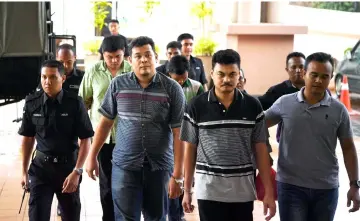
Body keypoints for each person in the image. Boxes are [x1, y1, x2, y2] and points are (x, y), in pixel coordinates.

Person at [86, 36, 186, 221]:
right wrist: (91, 157)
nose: (143, 60)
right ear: (130, 60)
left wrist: (178, 175)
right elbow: (105, 123)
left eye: (148, 55)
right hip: (124, 167)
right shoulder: (118, 84)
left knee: (156, 218)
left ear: (156, 57)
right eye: (137, 56)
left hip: (160, 168)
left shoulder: (172, 89)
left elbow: (179, 133)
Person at [180, 49, 276, 221]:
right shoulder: (196, 106)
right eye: (221, 74)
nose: (226, 79)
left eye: (232, 74)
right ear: (212, 74)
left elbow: (261, 150)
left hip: (243, 192)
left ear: (239, 75)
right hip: (209, 191)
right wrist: (187, 191)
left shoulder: (253, 106)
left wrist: (269, 192)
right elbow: (190, 150)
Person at [265, 52, 360, 221]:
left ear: (331, 78)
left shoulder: (339, 110)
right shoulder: (284, 103)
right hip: (290, 186)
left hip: (326, 189)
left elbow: (348, 148)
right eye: (314, 75)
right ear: (305, 74)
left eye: (324, 76)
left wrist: (354, 184)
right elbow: (258, 125)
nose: (318, 80)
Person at [18, 60, 94, 221]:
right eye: (44, 77)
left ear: (63, 78)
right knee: (37, 216)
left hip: (68, 170)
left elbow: (86, 139)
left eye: (52, 77)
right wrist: (24, 171)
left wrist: (77, 171)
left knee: (70, 216)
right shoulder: (33, 103)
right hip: (40, 169)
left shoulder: (74, 103)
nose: (47, 81)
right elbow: (27, 139)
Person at [79, 35, 132, 221]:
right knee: (107, 185)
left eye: (118, 56)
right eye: (110, 57)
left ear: (124, 53)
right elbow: (83, 103)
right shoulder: (93, 72)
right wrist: (84, 137)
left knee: (128, 183)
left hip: (129, 139)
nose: (115, 61)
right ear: (103, 55)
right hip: (103, 140)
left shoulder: (132, 71)